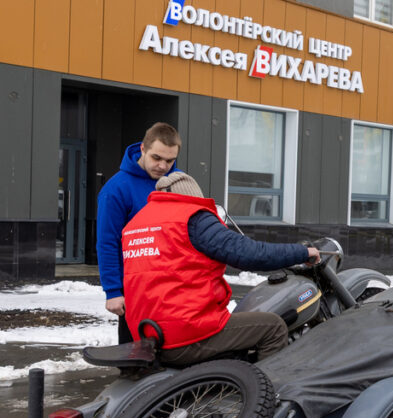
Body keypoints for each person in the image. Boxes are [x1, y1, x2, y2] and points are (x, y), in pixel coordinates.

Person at [121, 172, 319, 365]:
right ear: (193, 196)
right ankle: (268, 394)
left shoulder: (136, 223)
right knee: (273, 328)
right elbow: (250, 254)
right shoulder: (193, 218)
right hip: (187, 333)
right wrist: (301, 252)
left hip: (149, 334)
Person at [97, 122, 181, 343]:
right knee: (135, 359)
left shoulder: (179, 182)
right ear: (142, 149)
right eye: (156, 158)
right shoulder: (117, 188)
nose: (163, 166)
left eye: (170, 160)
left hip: (175, 287)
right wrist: (113, 291)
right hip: (136, 292)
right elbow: (107, 242)